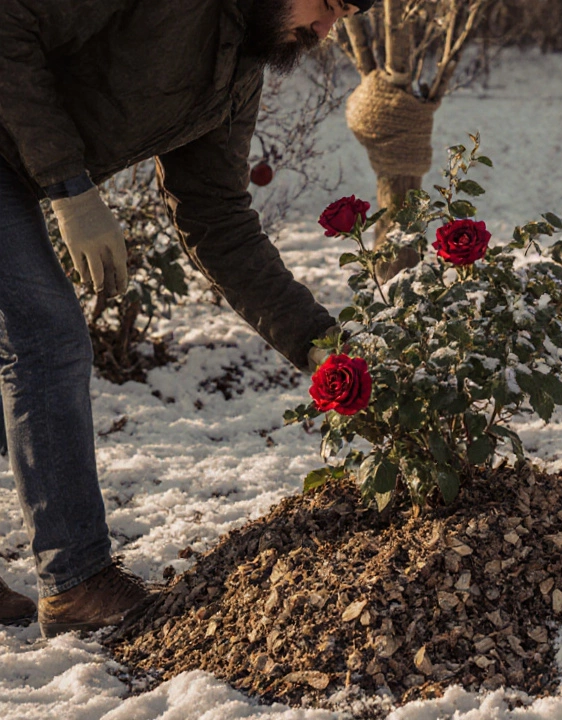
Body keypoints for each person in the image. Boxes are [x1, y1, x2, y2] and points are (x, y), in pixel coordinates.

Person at [0, 0, 369, 636]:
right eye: (328, 5)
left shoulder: (235, 74)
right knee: (47, 337)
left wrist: (326, 350)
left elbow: (219, 220)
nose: (324, 31)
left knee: (26, 347)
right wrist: (70, 187)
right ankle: (76, 581)